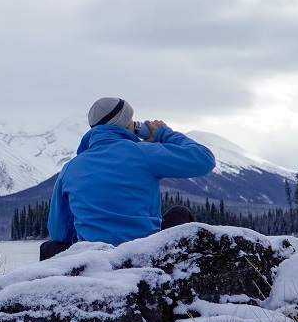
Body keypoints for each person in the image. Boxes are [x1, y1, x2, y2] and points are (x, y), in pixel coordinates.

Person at [41, 97, 215, 260]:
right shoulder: (144, 154)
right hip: (144, 253)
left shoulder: (70, 168)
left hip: (94, 257)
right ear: (124, 124)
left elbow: (59, 233)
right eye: (131, 120)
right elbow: (204, 159)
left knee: (49, 247)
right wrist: (164, 134)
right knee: (179, 213)